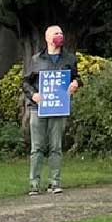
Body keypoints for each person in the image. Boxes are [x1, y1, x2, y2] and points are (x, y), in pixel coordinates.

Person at [22, 25, 82, 195]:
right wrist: (33, 95)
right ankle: (34, 183)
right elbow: (25, 82)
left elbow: (76, 76)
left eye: (62, 33)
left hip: (59, 107)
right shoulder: (36, 60)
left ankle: (55, 182)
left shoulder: (69, 58)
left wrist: (75, 83)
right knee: (37, 147)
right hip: (38, 108)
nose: (60, 36)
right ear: (47, 38)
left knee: (56, 146)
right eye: (56, 33)